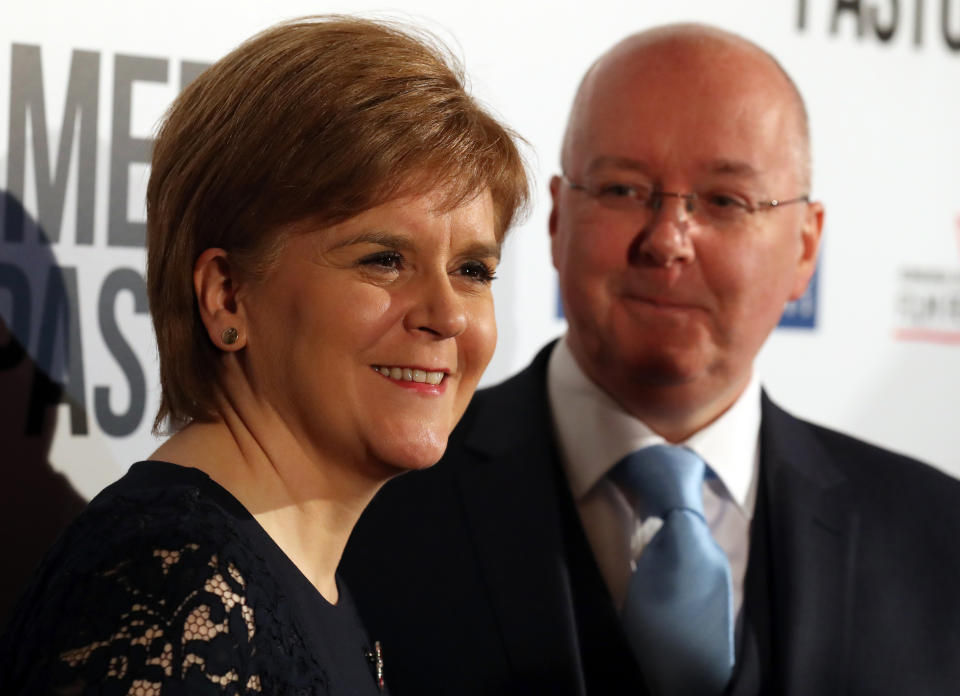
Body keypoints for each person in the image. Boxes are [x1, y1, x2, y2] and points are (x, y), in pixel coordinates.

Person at [340, 23, 960, 696]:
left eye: (725, 201)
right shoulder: (365, 497)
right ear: (555, 222)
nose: (667, 241)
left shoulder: (937, 534)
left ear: (806, 248)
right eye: (623, 190)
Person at [0, 15, 528, 694]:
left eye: (473, 270)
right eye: (385, 259)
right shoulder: (174, 585)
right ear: (227, 296)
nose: (447, 314)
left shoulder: (290, 575)